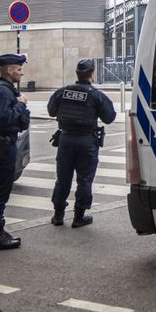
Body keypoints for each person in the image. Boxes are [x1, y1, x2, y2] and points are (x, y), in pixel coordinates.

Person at [47, 59, 116, 228]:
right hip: (86, 141)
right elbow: (109, 117)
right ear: (92, 74)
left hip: (66, 140)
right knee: (84, 179)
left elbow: (51, 111)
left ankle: (58, 215)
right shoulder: (96, 95)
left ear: (77, 73)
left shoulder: (62, 92)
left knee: (62, 178)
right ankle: (79, 217)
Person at [0, 53, 31, 251]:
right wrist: (21, 104)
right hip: (2, 146)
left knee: (0, 189)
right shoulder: (2, 91)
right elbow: (3, 118)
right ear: (11, 70)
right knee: (0, 191)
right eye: (19, 69)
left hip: (0, 144)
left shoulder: (2, 89)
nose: (21, 73)